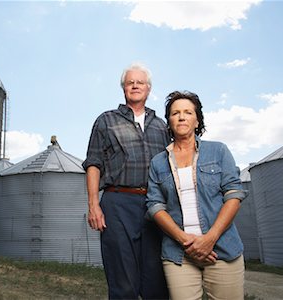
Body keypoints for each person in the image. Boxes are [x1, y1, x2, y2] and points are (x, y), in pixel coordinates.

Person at [146, 90, 246, 300]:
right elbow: (155, 206)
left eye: (188, 112)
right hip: (178, 254)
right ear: (169, 121)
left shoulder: (218, 151)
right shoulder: (158, 162)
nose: (182, 117)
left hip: (222, 250)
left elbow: (234, 194)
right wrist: (185, 241)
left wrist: (209, 239)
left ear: (197, 119)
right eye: (175, 113)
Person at [82, 62, 170, 299]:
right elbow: (93, 163)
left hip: (155, 206)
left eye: (140, 82)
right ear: (123, 88)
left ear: (149, 88)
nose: (135, 86)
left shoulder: (162, 126)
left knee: (156, 282)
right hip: (118, 202)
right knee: (123, 282)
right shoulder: (106, 121)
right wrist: (94, 205)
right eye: (130, 82)